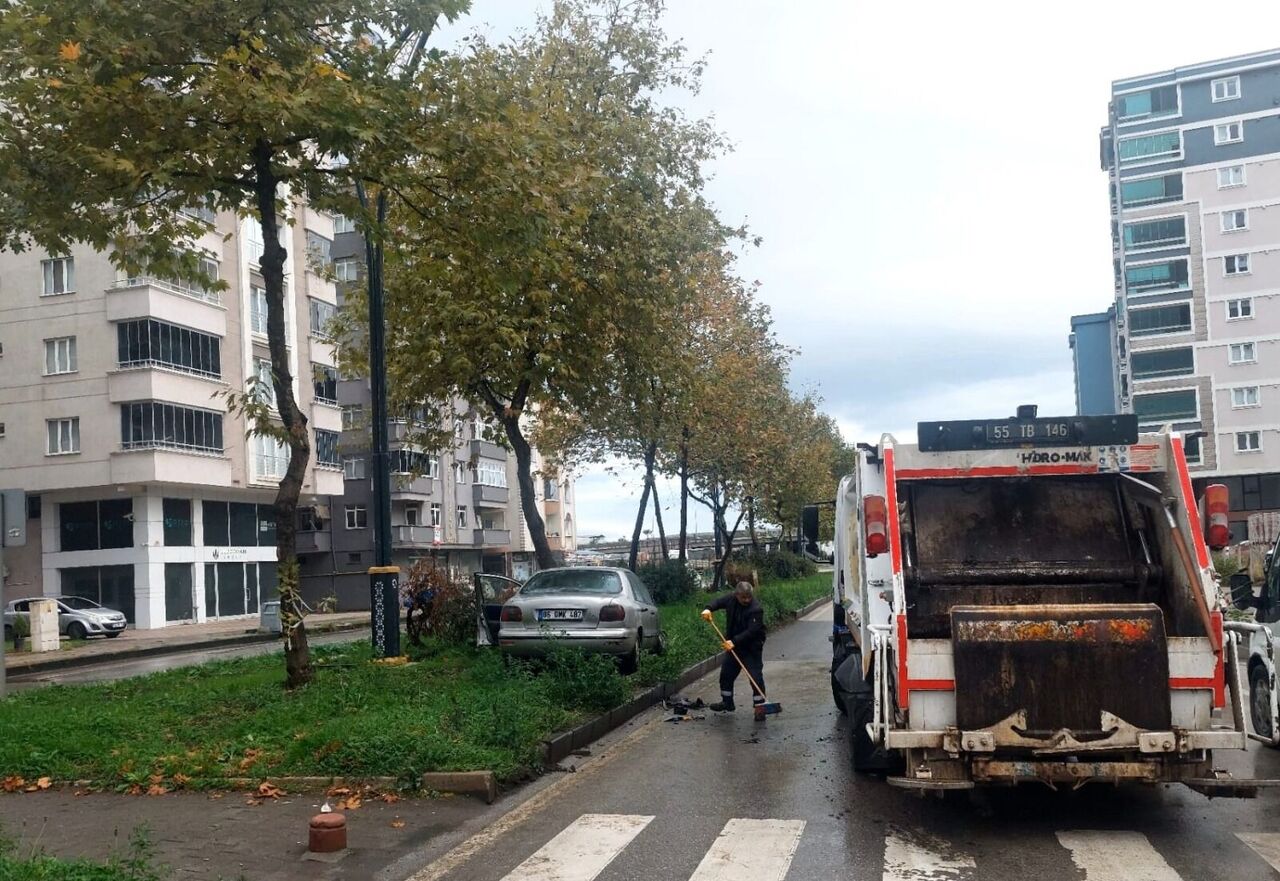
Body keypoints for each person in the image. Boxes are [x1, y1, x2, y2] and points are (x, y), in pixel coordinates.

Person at [701, 581, 767, 715]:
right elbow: (718, 602)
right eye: (743, 597)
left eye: (749, 597)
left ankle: (760, 707)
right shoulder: (731, 599)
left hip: (751, 648)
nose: (747, 600)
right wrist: (708, 608)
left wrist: (734, 641)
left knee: (755, 677)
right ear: (737, 595)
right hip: (734, 648)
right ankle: (727, 702)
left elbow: (752, 631)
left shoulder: (756, 609)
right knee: (726, 675)